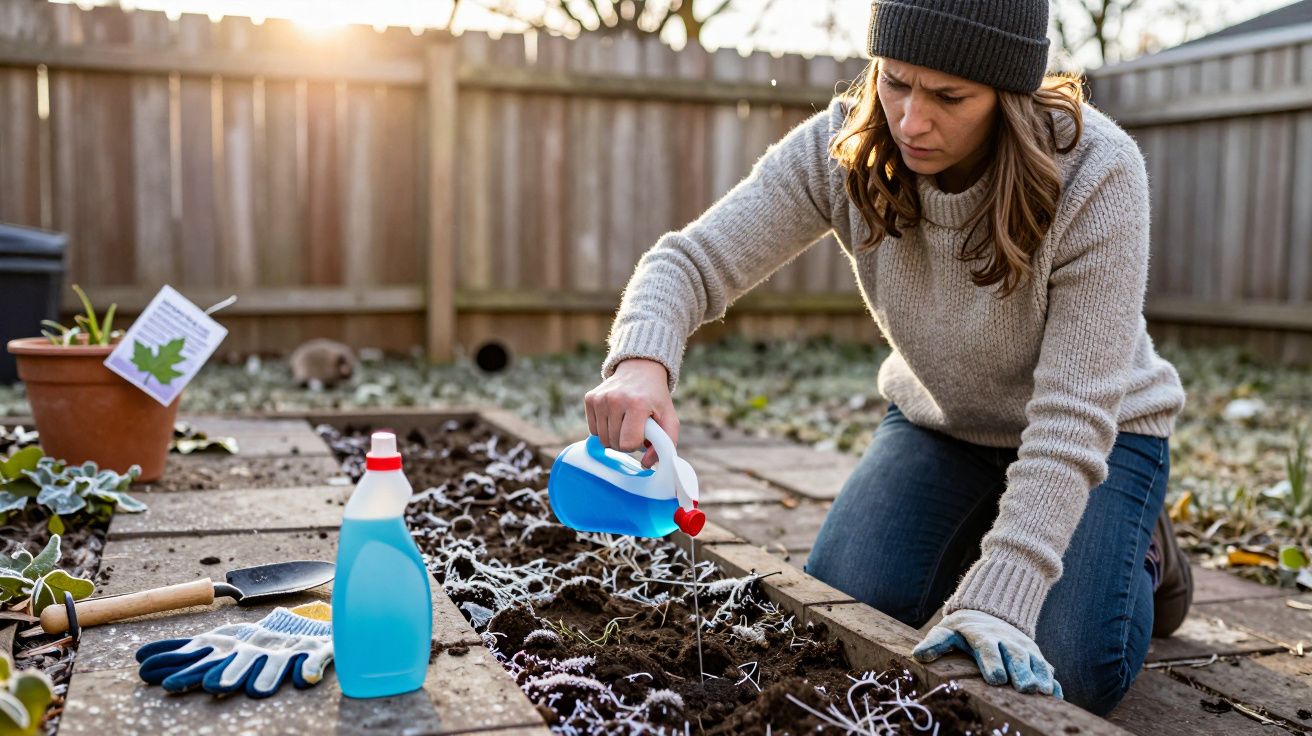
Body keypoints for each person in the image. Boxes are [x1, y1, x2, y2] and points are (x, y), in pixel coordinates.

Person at [583, 0, 1191, 716]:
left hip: (1101, 438)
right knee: (846, 606)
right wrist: (640, 364)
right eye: (895, 81)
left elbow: (1072, 418)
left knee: (1067, 670)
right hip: (944, 424)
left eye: (948, 96)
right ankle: (1001, 531)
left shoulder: (1096, 172)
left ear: (1010, 95)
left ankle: (1145, 558)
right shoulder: (841, 148)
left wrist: (1006, 592)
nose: (910, 120)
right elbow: (688, 261)